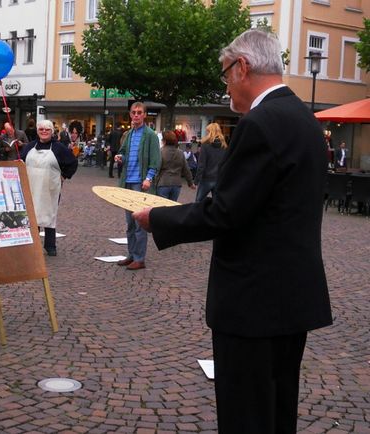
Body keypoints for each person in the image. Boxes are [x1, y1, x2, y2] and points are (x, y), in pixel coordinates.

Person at [133, 29, 332, 433]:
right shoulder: (304, 119)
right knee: (279, 411)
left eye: (225, 75)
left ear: (242, 67)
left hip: (253, 301)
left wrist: (159, 218)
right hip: (293, 296)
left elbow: (225, 211)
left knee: (248, 415)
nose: (226, 87)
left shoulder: (261, 123)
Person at [114, 101, 161, 270]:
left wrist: (148, 178)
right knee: (130, 224)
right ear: (130, 114)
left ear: (144, 115)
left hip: (141, 185)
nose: (136, 115)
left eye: (139, 112)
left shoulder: (150, 135)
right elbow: (124, 153)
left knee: (140, 224)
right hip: (127, 183)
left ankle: (140, 259)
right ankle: (132, 254)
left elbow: (156, 161)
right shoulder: (129, 134)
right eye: (133, 112)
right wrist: (120, 157)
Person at [20, 119, 78, 256]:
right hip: (31, 186)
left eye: (47, 129)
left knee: (49, 215)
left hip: (50, 188)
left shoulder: (59, 148)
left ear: (52, 132)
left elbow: (73, 163)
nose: (44, 132)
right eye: (41, 129)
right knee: (32, 215)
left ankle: (50, 245)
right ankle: (32, 244)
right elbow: (20, 160)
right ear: (37, 131)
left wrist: (64, 176)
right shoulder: (29, 146)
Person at [156, 130, 195, 201]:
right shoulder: (180, 152)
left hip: (163, 183)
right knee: (172, 208)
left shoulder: (160, 152)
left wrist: (153, 182)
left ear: (164, 140)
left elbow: (157, 168)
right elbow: (186, 169)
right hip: (176, 184)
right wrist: (190, 183)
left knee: (161, 208)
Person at [194, 122, 228, 202]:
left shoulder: (205, 145)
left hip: (206, 178)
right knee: (217, 203)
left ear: (210, 132)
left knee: (198, 202)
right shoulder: (224, 146)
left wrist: (196, 181)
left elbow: (201, 165)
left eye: (207, 131)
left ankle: (199, 215)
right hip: (219, 178)